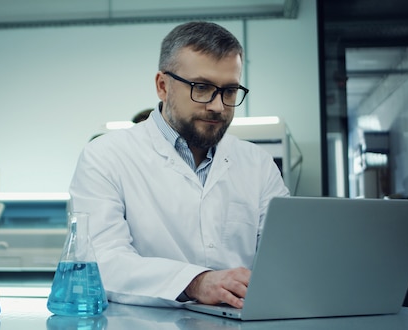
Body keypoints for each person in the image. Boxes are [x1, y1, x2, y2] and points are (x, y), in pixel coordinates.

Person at [68, 21, 289, 308]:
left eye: (230, 91)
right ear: (163, 86)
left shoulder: (257, 164)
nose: (218, 106)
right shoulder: (105, 156)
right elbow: (101, 262)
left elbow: (286, 258)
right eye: (202, 87)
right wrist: (197, 282)